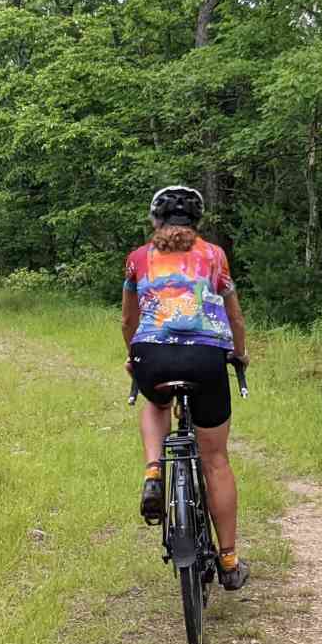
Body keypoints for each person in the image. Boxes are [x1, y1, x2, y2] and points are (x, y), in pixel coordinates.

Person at [122, 185, 250, 590]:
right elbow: (235, 317)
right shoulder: (215, 256)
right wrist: (240, 355)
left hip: (152, 353)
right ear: (197, 223)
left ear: (155, 221)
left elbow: (128, 320)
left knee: (156, 403)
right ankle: (228, 561)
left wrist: (134, 356)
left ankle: (154, 470)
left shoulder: (138, 258)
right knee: (215, 461)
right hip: (206, 358)